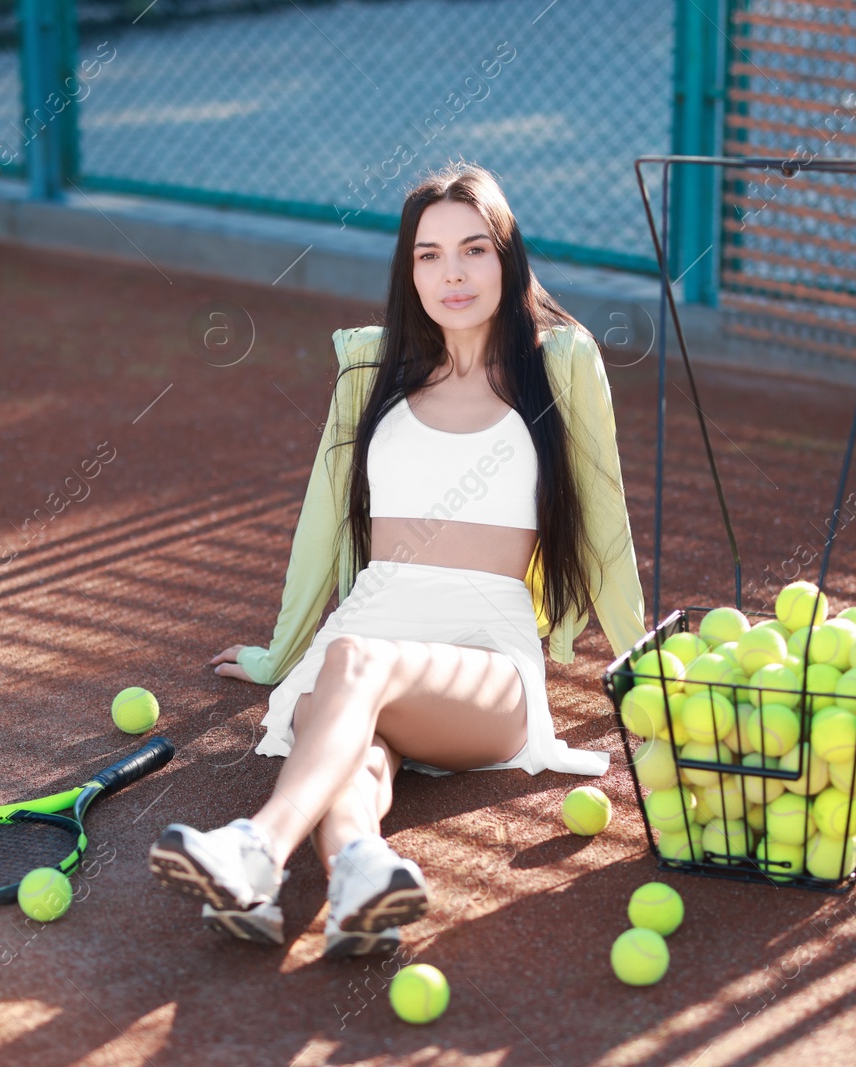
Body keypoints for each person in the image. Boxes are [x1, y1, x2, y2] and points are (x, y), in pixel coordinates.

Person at [147, 160, 647, 959]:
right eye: (428, 254)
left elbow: (605, 527)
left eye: (473, 250)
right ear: (407, 270)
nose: (451, 272)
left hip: (484, 658)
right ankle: (360, 874)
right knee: (359, 755)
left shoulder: (559, 366)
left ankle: (255, 848)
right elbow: (321, 523)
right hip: (368, 633)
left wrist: (644, 676)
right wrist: (281, 653)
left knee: (354, 657)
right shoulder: (372, 369)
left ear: (507, 258)